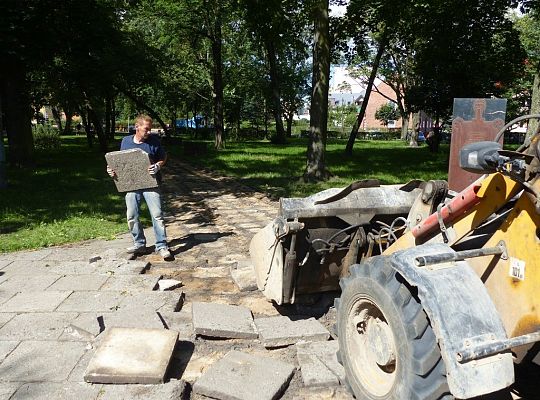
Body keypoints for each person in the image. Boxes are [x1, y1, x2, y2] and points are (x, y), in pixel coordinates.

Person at [106, 114, 172, 260]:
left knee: (157, 215)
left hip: (150, 183)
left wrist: (158, 166)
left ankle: (161, 245)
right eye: (146, 129)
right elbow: (118, 162)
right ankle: (139, 244)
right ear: (137, 127)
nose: (149, 132)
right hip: (131, 183)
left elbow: (163, 156)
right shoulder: (125, 141)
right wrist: (111, 170)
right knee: (132, 215)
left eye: (150, 129)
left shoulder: (154, 141)